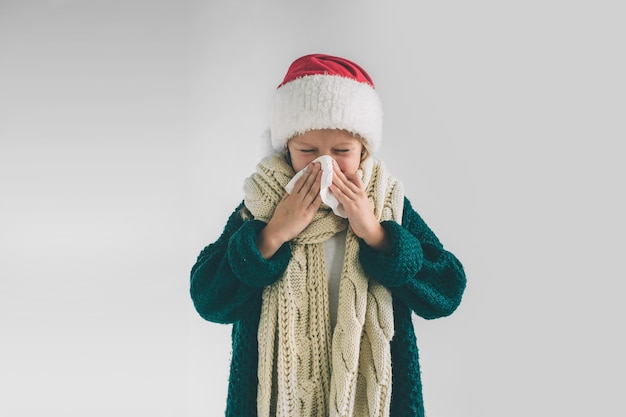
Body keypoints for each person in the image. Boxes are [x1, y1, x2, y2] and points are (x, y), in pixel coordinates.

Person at [190, 53, 466, 417]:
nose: (325, 164)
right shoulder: (261, 206)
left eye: (341, 151)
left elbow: (446, 292)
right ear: (286, 149)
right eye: (307, 151)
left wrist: (377, 235)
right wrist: (272, 235)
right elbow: (209, 299)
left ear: (364, 150)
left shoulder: (386, 205)